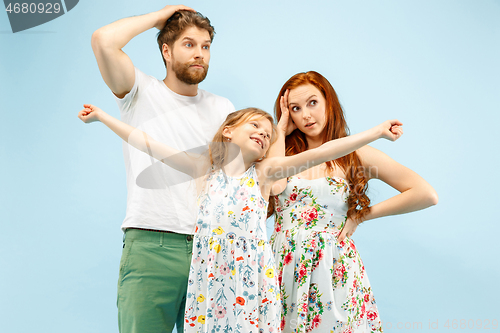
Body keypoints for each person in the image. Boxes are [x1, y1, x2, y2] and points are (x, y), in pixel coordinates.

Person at [77, 104, 403, 332]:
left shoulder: (266, 173)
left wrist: (375, 133)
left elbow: (321, 152)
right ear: (229, 132)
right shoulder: (203, 169)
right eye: (255, 126)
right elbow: (148, 144)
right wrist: (103, 117)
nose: (263, 133)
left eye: (268, 133)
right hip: (210, 276)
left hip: (251, 279)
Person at [91, 6, 235, 333]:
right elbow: (103, 40)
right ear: (166, 51)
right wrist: (163, 16)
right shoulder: (139, 92)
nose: (199, 53)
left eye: (205, 45)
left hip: (210, 250)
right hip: (151, 245)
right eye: (189, 44)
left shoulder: (223, 108)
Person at [269, 71, 439, 333]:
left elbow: (425, 193)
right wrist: (278, 132)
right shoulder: (281, 153)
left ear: (329, 102)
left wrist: (362, 215)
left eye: (313, 103)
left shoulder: (355, 154)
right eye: (295, 108)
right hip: (283, 266)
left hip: (332, 268)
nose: (305, 115)